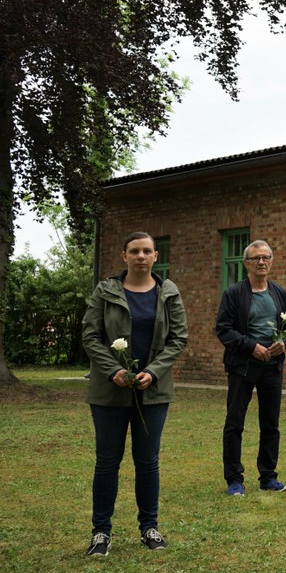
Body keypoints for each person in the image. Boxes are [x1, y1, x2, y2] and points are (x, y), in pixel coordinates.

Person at [81, 231, 188, 556]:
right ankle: (101, 532)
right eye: (134, 251)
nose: (140, 256)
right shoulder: (105, 291)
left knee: (147, 461)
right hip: (109, 391)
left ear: (156, 256)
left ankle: (149, 527)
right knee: (107, 462)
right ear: (124, 256)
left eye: (146, 251)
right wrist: (113, 370)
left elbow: (178, 339)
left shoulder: (168, 292)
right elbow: (90, 335)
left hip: (152, 392)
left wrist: (153, 372)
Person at [216, 239, 286, 496]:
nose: (261, 262)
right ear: (246, 264)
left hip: (272, 367)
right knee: (235, 423)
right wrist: (252, 347)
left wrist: (283, 344)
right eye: (255, 258)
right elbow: (223, 330)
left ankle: (268, 477)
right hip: (242, 366)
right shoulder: (234, 294)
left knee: (270, 423)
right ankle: (234, 479)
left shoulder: (281, 294)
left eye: (265, 257)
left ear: (271, 262)